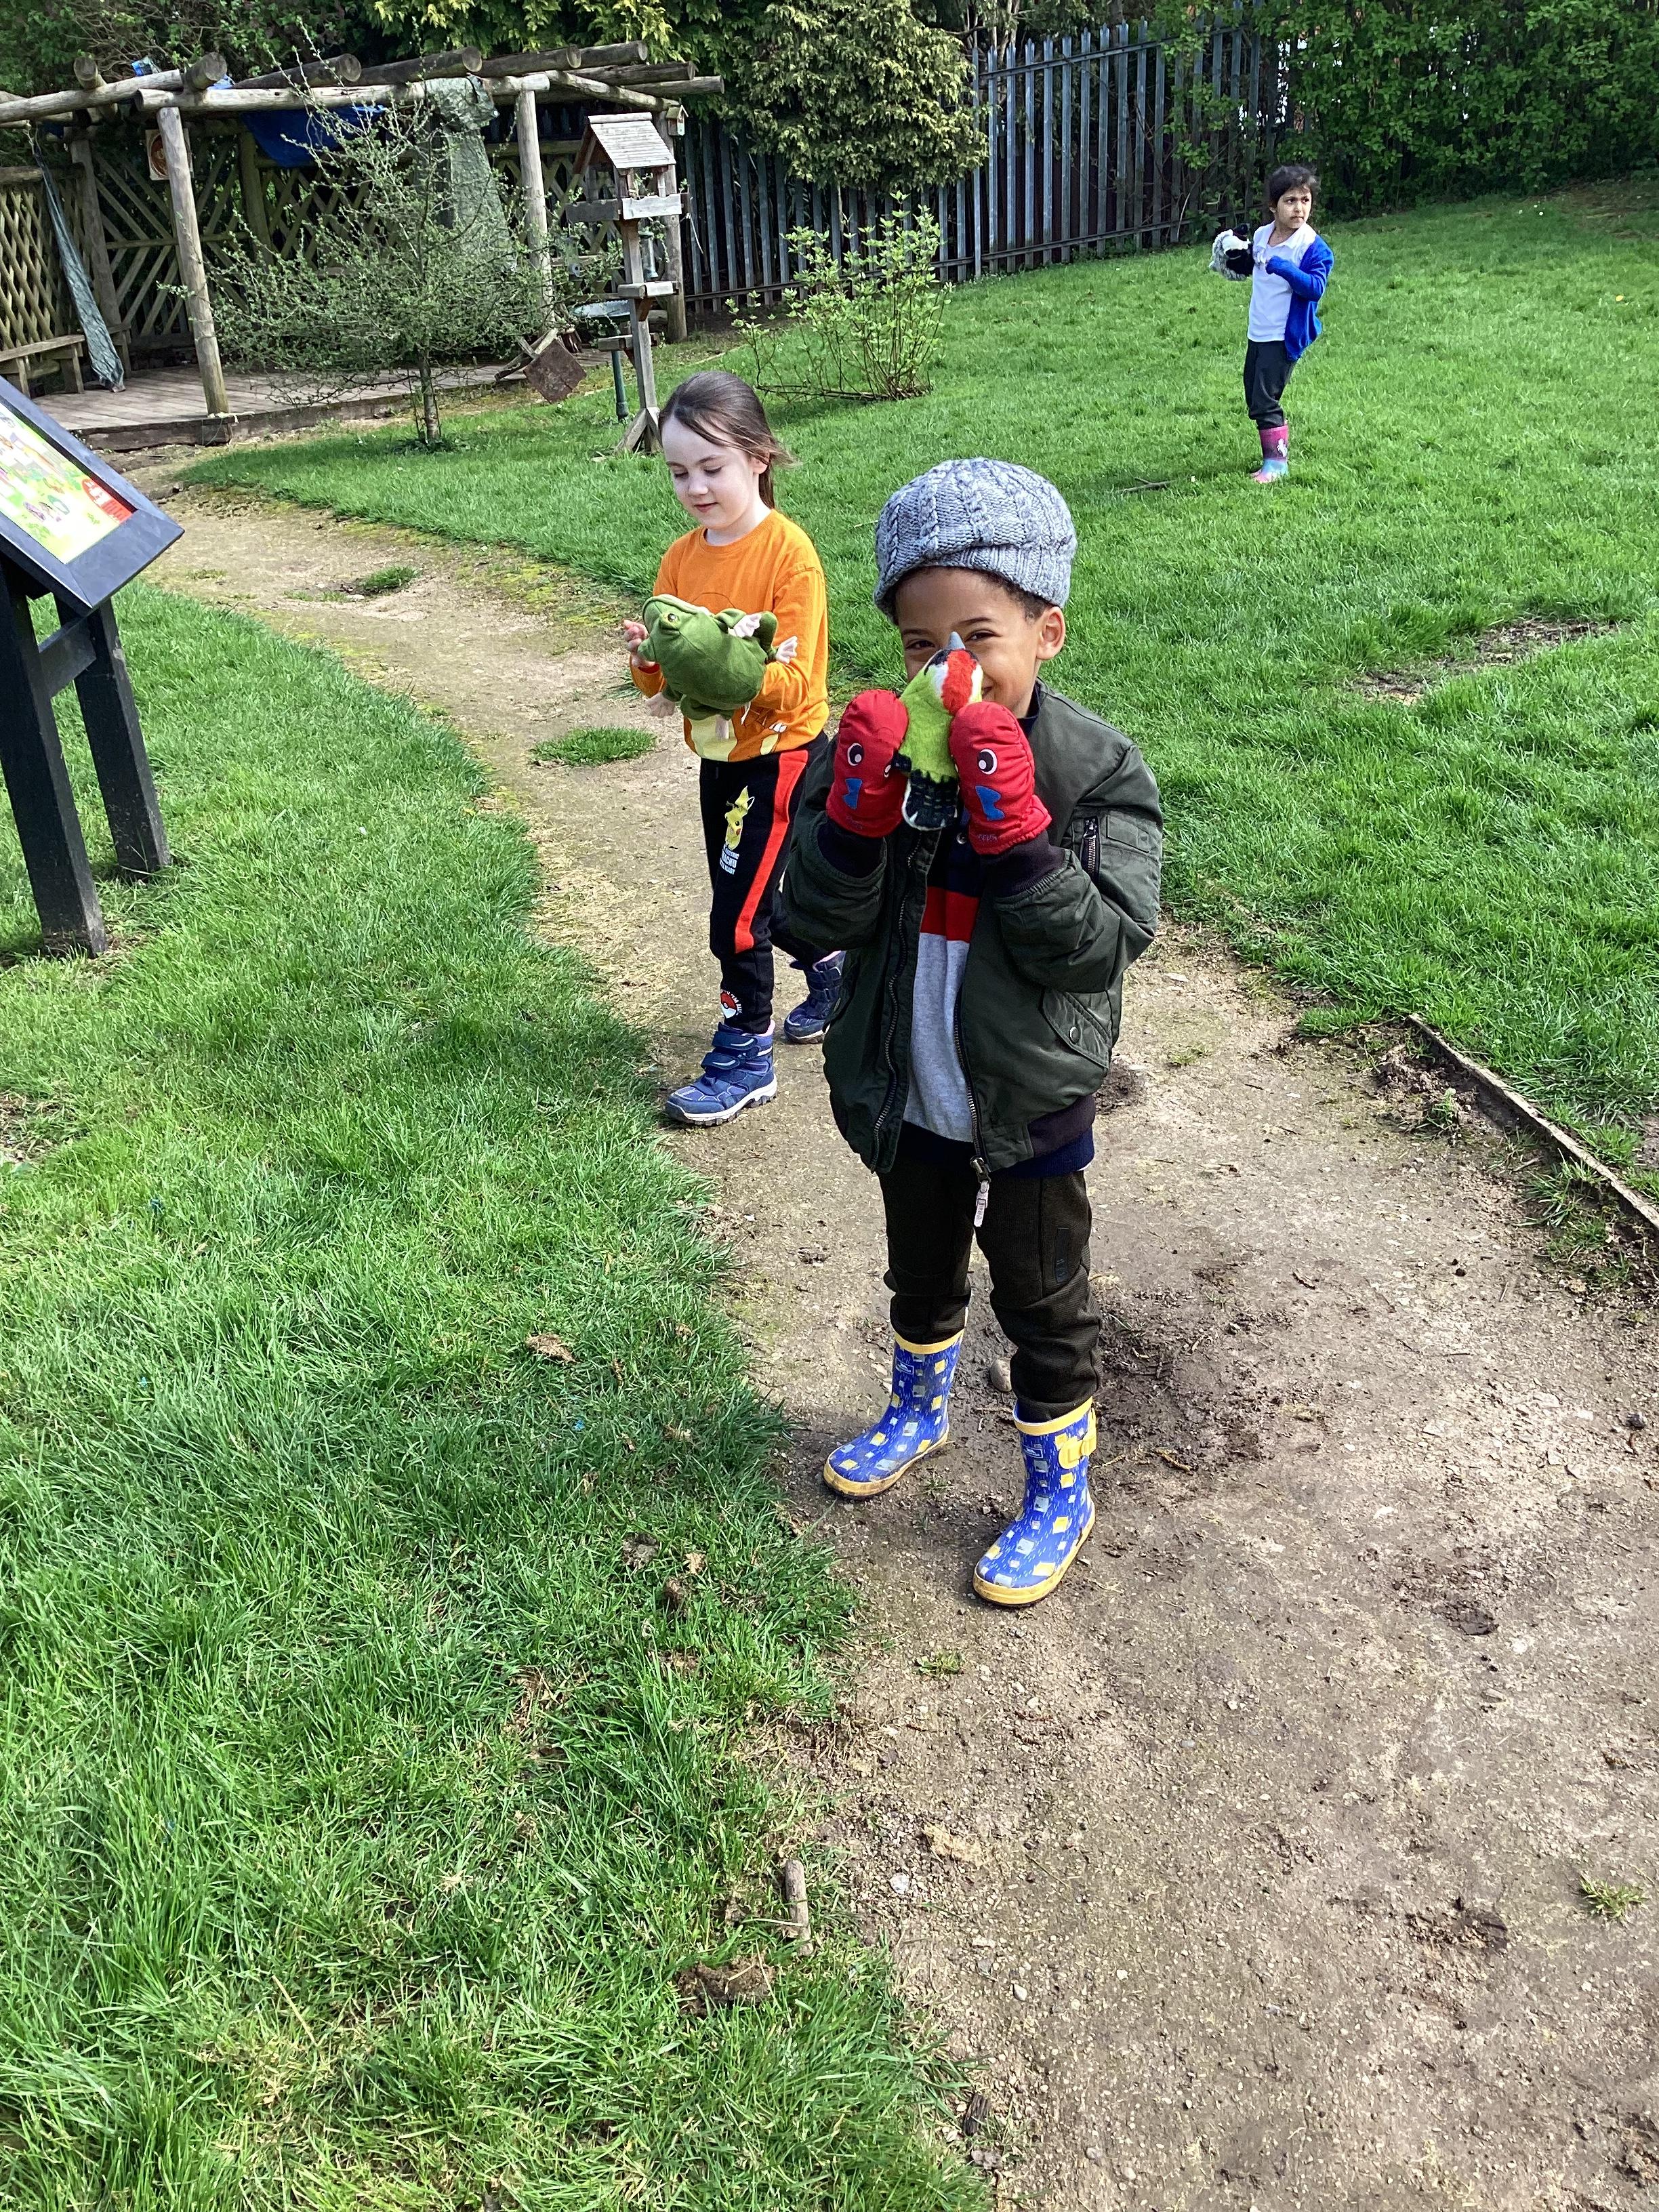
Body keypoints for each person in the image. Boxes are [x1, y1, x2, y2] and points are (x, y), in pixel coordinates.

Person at [781, 459, 1162, 1607]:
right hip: (908, 1080)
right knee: (919, 1259)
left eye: (979, 637)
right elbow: (806, 918)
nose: (948, 668)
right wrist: (851, 823)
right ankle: (918, 1410)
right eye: (918, 643)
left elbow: (1099, 946)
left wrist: (1023, 839)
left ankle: (1059, 1485)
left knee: (1042, 1292)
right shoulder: (880, 747)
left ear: (1048, 631)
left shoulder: (1096, 769)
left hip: (1027, 1090)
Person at [626, 371, 840, 1126]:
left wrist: (729, 671)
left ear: (758, 457)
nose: (696, 488)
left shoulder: (789, 555)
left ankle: (747, 1053)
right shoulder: (681, 559)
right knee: (758, 896)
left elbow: (798, 680)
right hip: (718, 761)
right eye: (679, 472)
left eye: (712, 468)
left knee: (736, 916)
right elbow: (660, 679)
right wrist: (648, 658)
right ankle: (833, 969)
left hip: (781, 757)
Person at [1240, 163, 1334, 483]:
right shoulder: (1261, 236)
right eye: (1290, 201)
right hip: (1258, 331)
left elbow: (1315, 288)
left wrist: (1285, 267)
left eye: (1305, 200)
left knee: (1266, 399)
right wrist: (1233, 254)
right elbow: (1252, 266)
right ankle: (1271, 454)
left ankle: (1277, 464)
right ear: (1273, 205)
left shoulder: (1312, 247)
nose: (1299, 209)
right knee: (1254, 396)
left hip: (1284, 336)